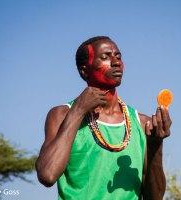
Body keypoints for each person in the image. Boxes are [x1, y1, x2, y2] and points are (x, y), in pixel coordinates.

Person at [36, 36, 172, 200]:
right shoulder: (62, 115)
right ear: (85, 70)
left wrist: (155, 146)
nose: (116, 62)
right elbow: (47, 175)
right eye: (105, 57)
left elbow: (154, 198)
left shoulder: (141, 123)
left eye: (118, 56)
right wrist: (79, 110)